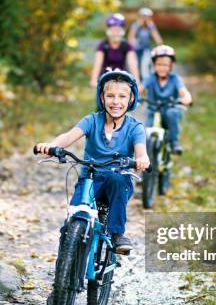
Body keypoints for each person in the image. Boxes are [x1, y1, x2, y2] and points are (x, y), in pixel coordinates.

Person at [36, 69, 150, 254]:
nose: (116, 101)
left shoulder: (135, 127)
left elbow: (141, 151)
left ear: (130, 99)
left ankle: (117, 234)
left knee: (118, 179)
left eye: (122, 96)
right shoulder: (92, 120)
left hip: (117, 181)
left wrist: (142, 159)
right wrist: (51, 146)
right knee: (74, 217)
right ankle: (66, 263)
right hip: (91, 178)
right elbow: (69, 136)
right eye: (110, 96)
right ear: (102, 98)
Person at [140, 45, 192, 155]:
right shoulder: (151, 77)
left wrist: (187, 98)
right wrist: (133, 96)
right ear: (154, 65)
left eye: (165, 65)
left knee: (172, 114)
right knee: (146, 133)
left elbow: (183, 91)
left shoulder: (175, 79)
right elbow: (141, 88)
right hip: (153, 109)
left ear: (171, 66)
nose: (162, 68)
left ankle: (174, 143)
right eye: (159, 64)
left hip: (170, 108)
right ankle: (144, 156)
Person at [90, 13, 140, 87]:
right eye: (113, 29)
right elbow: (98, 63)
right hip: (105, 78)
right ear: (109, 30)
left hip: (122, 78)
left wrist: (137, 82)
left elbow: (132, 64)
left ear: (122, 30)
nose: (116, 32)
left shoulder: (127, 45)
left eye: (118, 29)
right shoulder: (103, 45)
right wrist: (93, 79)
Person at [128, 7, 163, 81]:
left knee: (145, 66)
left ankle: (145, 82)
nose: (145, 18)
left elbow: (158, 38)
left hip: (146, 49)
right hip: (136, 49)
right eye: (143, 16)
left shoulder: (151, 26)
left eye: (147, 16)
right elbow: (131, 38)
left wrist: (159, 46)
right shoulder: (136, 25)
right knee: (135, 65)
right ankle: (135, 80)